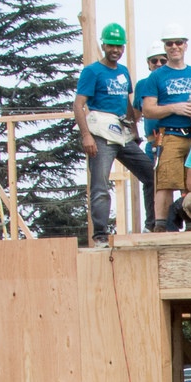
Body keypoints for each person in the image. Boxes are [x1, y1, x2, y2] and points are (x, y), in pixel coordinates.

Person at [75, 23, 153, 241]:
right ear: (103, 45)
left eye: (119, 46)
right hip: (100, 133)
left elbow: (126, 103)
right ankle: (100, 235)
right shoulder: (92, 71)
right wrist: (86, 135)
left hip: (122, 133)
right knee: (100, 185)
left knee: (151, 175)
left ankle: (152, 225)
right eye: (111, 45)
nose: (115, 50)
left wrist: (134, 131)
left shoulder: (123, 71)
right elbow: (78, 104)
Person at [139, 23, 191, 228]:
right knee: (165, 182)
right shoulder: (156, 76)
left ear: (185, 45)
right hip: (170, 135)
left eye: (178, 42)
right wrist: (174, 108)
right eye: (169, 43)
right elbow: (148, 110)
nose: (174, 47)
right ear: (165, 46)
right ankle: (161, 227)